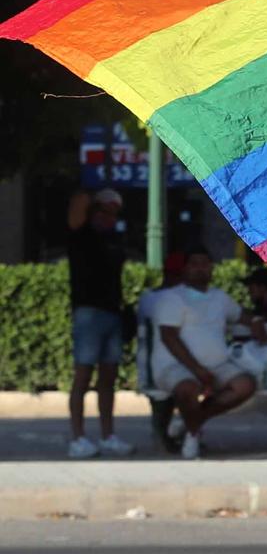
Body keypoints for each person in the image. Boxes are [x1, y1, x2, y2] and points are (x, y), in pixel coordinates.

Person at [151, 248, 267, 460]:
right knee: (189, 388)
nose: (200, 268)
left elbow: (242, 315)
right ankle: (193, 436)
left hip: (218, 366)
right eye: (194, 263)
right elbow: (169, 337)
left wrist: (256, 321)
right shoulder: (171, 298)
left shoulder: (219, 297)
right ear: (185, 269)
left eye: (205, 264)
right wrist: (197, 370)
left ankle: (192, 421)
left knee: (245, 385)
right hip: (176, 367)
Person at [64, 188, 132, 459]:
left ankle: (108, 436)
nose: (109, 216)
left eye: (114, 212)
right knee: (82, 377)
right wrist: (95, 193)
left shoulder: (115, 238)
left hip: (112, 313)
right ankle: (77, 438)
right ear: (93, 210)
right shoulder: (80, 234)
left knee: (108, 378)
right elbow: (78, 200)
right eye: (103, 211)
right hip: (88, 313)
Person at [136, 251, 187, 450]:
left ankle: (164, 437)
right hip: (161, 361)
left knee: (162, 404)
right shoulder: (172, 297)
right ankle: (163, 438)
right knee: (163, 404)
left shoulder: (149, 297)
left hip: (153, 361)